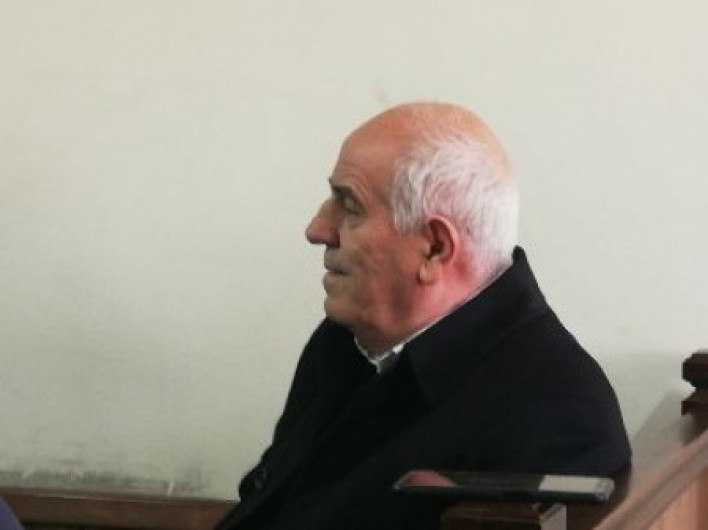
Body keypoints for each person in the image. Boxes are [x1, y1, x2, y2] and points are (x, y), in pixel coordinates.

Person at [216, 102, 631, 530]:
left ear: (434, 248)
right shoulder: (347, 339)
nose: (317, 228)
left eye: (350, 206)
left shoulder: (556, 417)